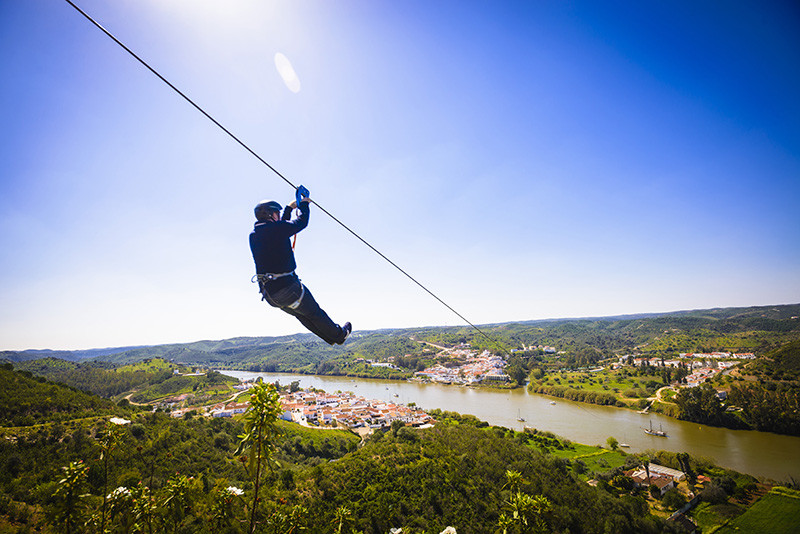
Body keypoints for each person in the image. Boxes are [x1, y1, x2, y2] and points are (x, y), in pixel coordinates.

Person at [249, 194, 351, 345]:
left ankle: (331, 338)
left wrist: (289, 209)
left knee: (304, 315)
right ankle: (339, 334)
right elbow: (300, 223)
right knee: (315, 313)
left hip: (271, 295)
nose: (278, 216)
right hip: (288, 289)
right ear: (270, 214)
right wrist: (304, 205)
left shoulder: (255, 235)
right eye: (277, 213)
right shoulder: (276, 230)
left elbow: (281, 227)